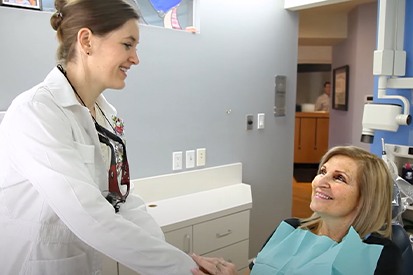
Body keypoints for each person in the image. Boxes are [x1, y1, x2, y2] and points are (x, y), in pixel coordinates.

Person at [0, 0, 197, 274]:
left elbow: (121, 200)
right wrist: (179, 267)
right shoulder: (36, 112)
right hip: (35, 265)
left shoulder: (105, 114)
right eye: (127, 45)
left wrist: (181, 262)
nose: (135, 59)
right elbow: (86, 212)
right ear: (87, 41)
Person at [191, 146, 402, 275]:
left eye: (339, 177)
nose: (321, 181)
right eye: (322, 171)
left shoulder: (379, 253)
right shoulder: (290, 229)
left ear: (366, 197)